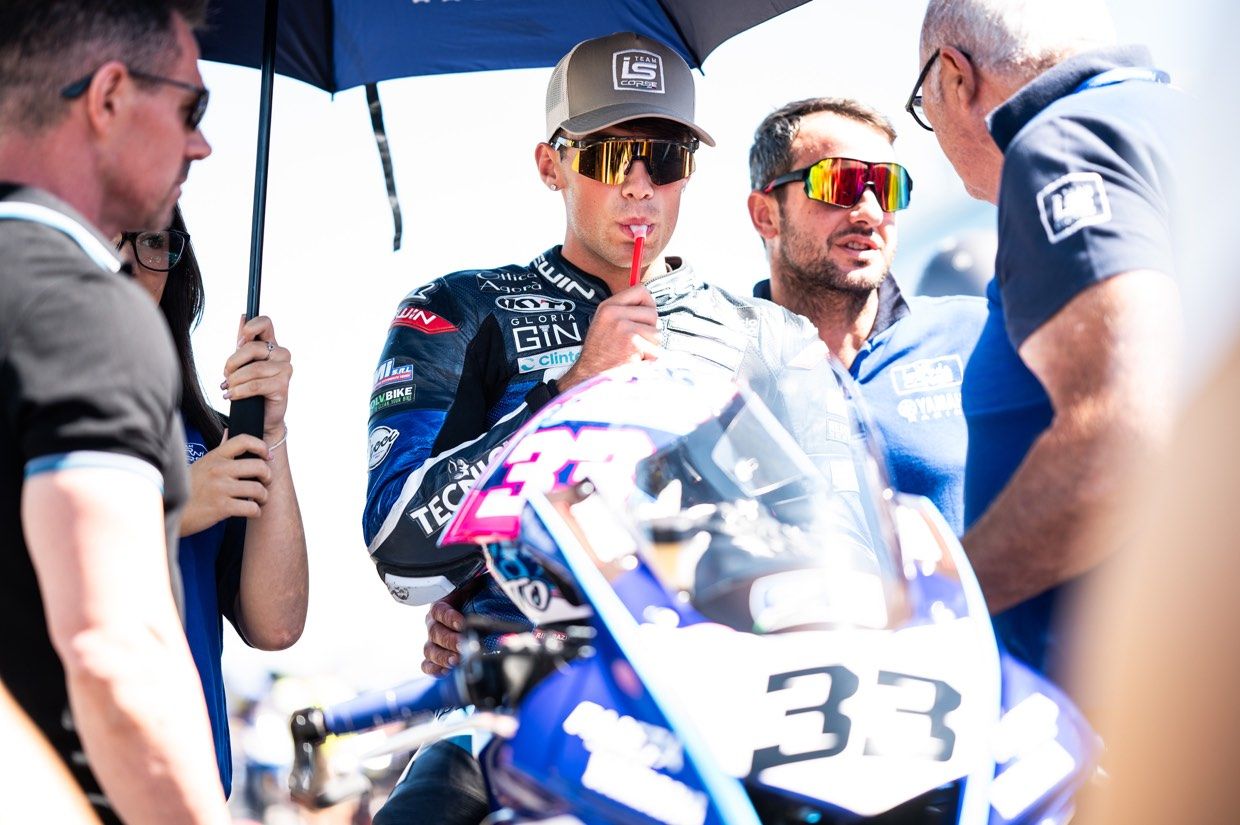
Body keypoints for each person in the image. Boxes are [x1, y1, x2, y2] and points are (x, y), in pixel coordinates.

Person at [363, 32, 820, 824]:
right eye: (611, 156)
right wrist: (570, 389)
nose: (639, 185)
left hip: (722, 710)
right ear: (552, 165)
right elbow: (399, 552)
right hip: (515, 715)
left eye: (665, 157)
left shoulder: (769, 336)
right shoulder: (461, 310)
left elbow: (841, 543)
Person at [0, 1, 231, 823]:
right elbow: (115, 657)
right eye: (191, 108)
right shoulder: (85, 313)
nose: (200, 145)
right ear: (107, 97)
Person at [908, 0, 1185, 679]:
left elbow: (1118, 439)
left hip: (1105, 698)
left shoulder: (1061, 143)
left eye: (923, 104)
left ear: (956, 76)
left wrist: (946, 606)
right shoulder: (1180, 122)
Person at [119, 206, 308, 796]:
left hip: (189, 791)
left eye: (153, 239)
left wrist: (268, 431)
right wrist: (169, 510)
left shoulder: (205, 436)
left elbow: (276, 624)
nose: (127, 260)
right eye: (106, 231)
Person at [746, 97, 986, 535]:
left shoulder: (977, 335)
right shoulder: (725, 371)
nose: (871, 212)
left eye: (889, 187)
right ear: (766, 215)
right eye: (840, 182)